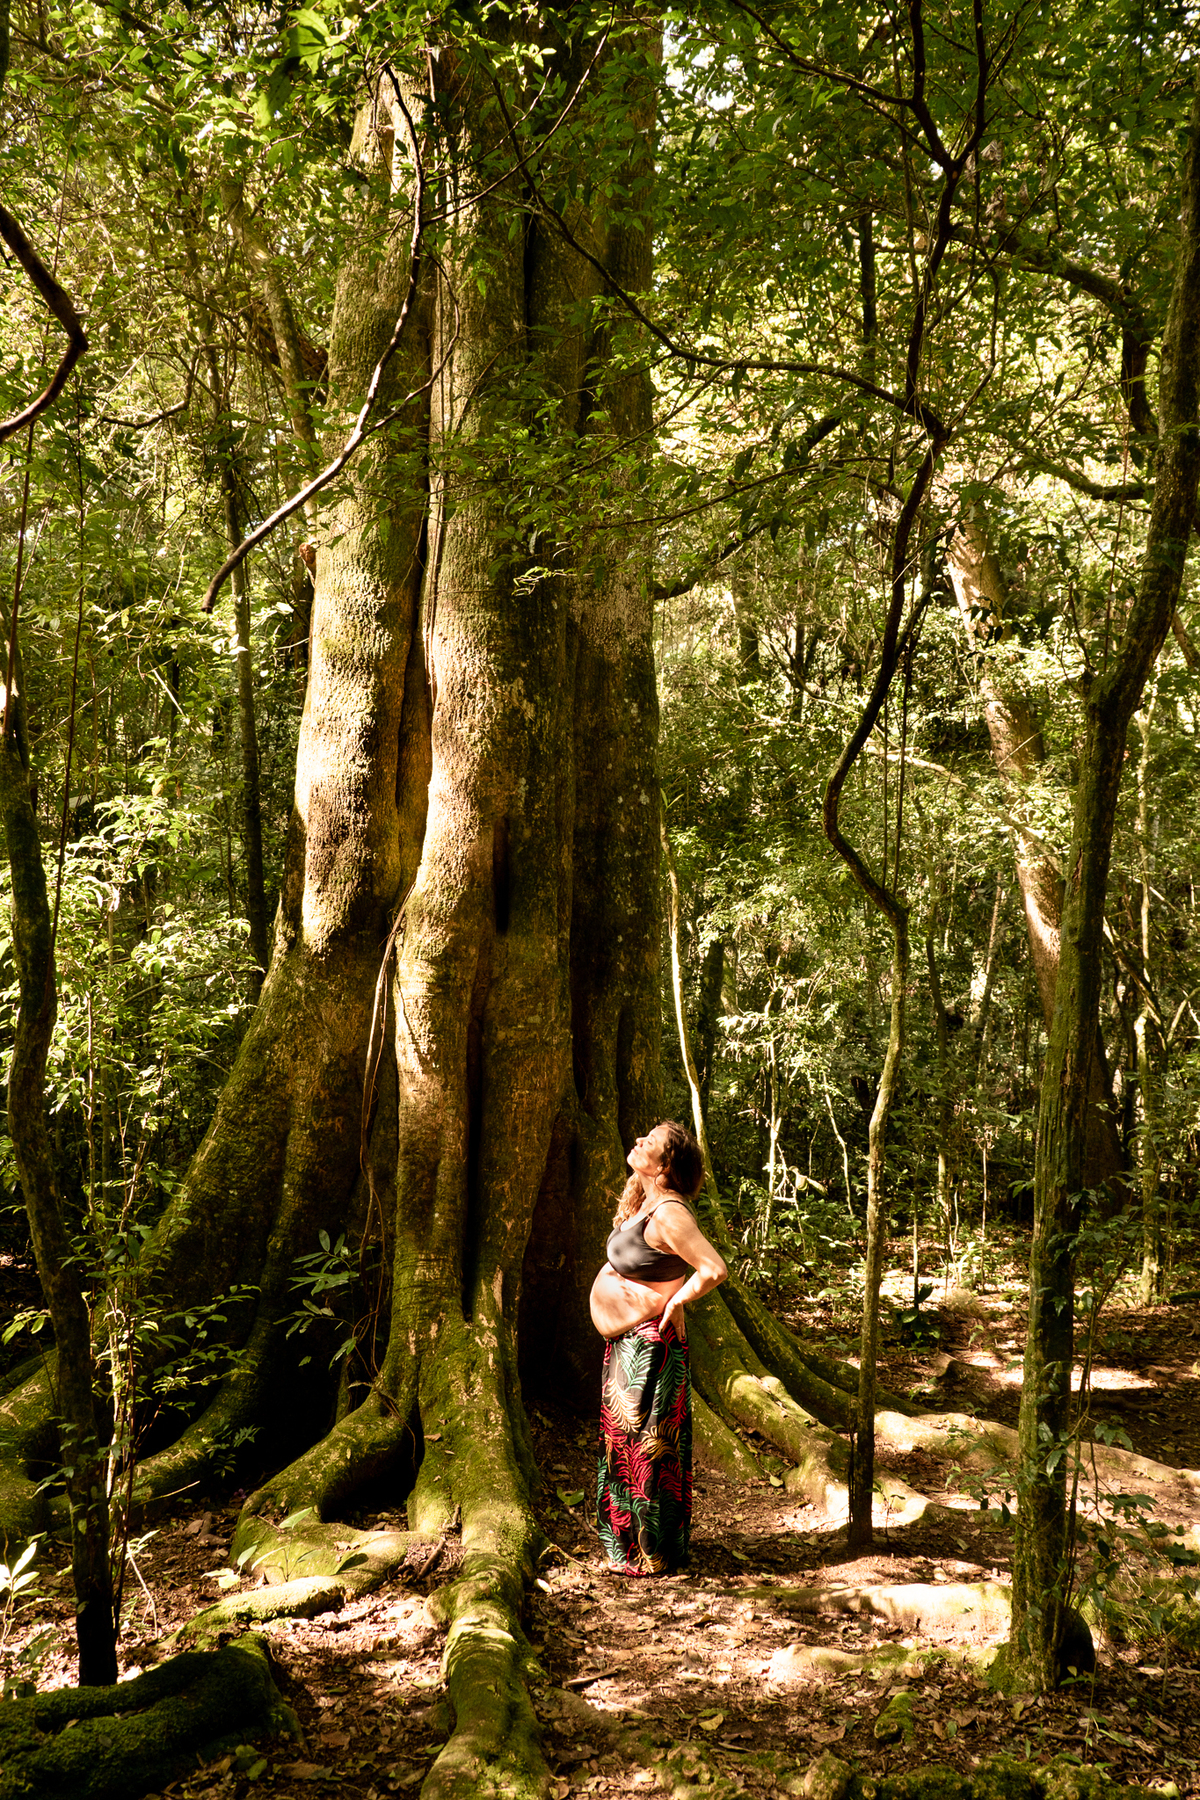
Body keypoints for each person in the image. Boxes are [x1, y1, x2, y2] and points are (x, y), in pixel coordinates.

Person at [590, 1120, 728, 1576]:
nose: (637, 1141)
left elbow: (712, 1268)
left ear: (666, 1163)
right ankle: (628, 1547)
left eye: (648, 1141)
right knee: (625, 1446)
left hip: (651, 1351)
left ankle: (651, 1552)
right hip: (629, 1348)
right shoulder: (645, 1204)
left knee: (649, 1450)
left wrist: (678, 1300)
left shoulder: (670, 1212)